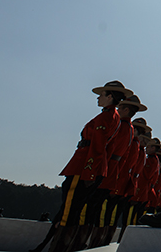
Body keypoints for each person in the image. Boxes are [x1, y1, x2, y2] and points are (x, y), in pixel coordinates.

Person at [31, 80, 132, 252]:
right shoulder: (112, 116)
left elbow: (98, 147)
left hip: (83, 167)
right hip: (88, 166)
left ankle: (59, 248)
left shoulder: (105, 117)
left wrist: (89, 174)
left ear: (110, 97)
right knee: (73, 211)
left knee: (69, 213)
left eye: (102, 95)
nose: (98, 98)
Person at [87, 94, 146, 248]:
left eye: (120, 107)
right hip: (115, 177)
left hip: (110, 176)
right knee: (105, 216)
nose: (117, 109)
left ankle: (95, 245)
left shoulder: (125, 130)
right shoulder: (128, 131)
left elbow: (125, 162)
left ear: (126, 110)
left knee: (99, 215)